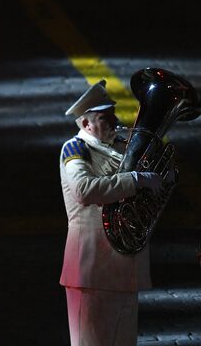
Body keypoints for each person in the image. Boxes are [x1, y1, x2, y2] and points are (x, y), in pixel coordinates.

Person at [59, 80, 164, 346]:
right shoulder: (75, 149)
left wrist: (162, 178)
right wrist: (136, 179)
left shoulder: (119, 146)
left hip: (125, 269)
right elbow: (83, 190)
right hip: (92, 270)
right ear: (86, 125)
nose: (116, 122)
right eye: (106, 118)